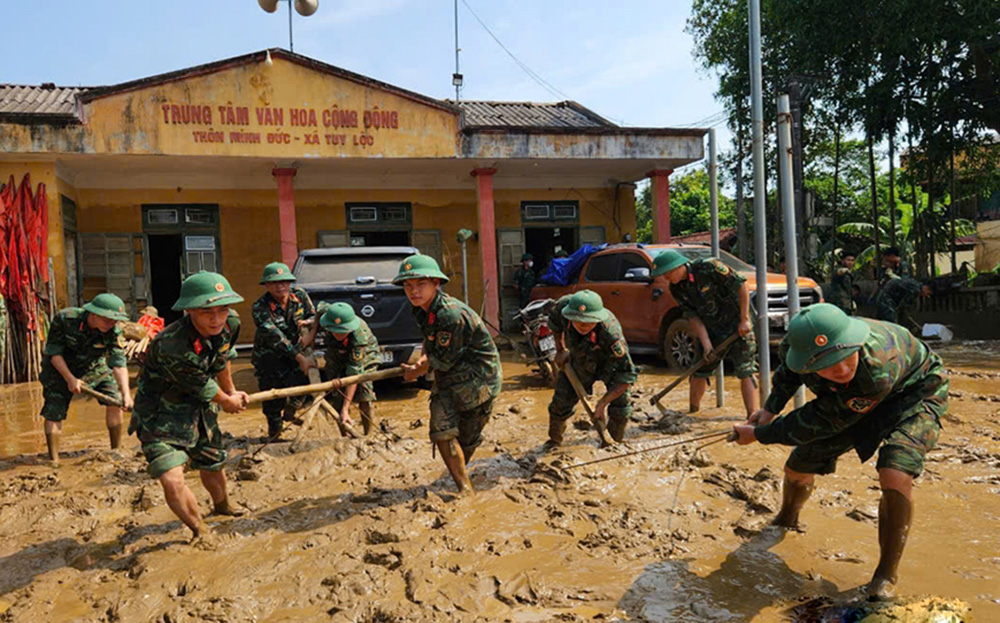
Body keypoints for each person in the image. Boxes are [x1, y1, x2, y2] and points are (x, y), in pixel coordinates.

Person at [732, 303, 947, 600]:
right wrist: (768, 411)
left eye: (847, 357)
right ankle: (786, 519)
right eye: (830, 365)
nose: (843, 368)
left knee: (895, 470)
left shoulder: (876, 369)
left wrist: (758, 435)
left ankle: (885, 575)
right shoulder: (798, 347)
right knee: (798, 465)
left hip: (915, 392)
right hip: (848, 400)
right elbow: (788, 375)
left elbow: (816, 422)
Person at [129, 271, 248, 542]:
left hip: (199, 408)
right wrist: (227, 400)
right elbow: (202, 386)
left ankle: (222, 506)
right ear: (190, 310)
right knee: (172, 478)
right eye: (207, 312)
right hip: (159, 416)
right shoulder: (172, 345)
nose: (217, 319)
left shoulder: (230, 324)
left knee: (213, 462)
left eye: (222, 310)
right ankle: (200, 529)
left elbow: (221, 360)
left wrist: (231, 389)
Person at [395, 255, 501, 494]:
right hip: (448, 377)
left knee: (466, 440)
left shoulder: (451, 315)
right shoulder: (421, 310)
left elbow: (442, 359)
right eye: (408, 286)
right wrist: (423, 358)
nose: (414, 291)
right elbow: (429, 339)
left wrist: (416, 371)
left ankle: (460, 471)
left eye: (420, 284)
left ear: (436, 284)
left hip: (478, 381)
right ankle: (465, 490)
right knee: (442, 432)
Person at [651, 249, 759, 418]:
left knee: (745, 370)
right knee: (700, 369)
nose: (666, 279)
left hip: (737, 326)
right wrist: (707, 343)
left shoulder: (709, 267)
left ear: (678, 267)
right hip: (711, 329)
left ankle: (752, 417)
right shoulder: (676, 289)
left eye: (667, 274)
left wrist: (744, 319)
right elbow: (692, 316)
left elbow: (742, 285)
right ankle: (693, 413)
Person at [39, 293, 133, 463]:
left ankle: (115, 451)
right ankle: (54, 460)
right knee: (54, 411)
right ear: (94, 314)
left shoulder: (114, 331)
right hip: (59, 369)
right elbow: (54, 354)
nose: (111, 324)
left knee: (115, 401)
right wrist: (70, 379)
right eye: (107, 320)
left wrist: (126, 394)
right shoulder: (65, 319)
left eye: (115, 320)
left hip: (93, 366)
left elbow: (118, 363)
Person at [546, 290, 637, 446]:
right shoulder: (563, 307)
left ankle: (611, 444)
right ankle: (554, 442)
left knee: (621, 408)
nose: (583, 325)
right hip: (580, 359)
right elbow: (554, 323)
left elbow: (627, 376)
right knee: (560, 403)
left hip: (610, 365)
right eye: (578, 321)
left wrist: (602, 404)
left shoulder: (611, 335)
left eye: (589, 321)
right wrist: (560, 350)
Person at [251, 262, 318, 440]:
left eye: (284, 281)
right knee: (273, 397)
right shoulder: (260, 307)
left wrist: (310, 330)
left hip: (297, 350)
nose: (280, 286)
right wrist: (298, 357)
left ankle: (290, 412)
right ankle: (275, 435)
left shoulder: (300, 296)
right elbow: (275, 336)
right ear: (266, 285)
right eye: (274, 282)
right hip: (270, 358)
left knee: (304, 382)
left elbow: (314, 315)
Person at [320, 302, 380, 435]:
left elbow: (354, 375)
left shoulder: (359, 338)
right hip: (336, 354)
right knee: (337, 394)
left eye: (343, 331)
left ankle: (368, 435)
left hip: (365, 357)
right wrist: (311, 333)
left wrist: (346, 409)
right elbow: (320, 310)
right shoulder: (329, 313)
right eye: (335, 331)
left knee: (365, 393)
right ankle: (344, 435)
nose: (339, 334)